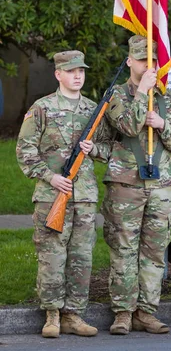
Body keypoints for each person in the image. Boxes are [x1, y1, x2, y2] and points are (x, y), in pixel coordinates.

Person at [16, 50, 111, 338]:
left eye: (81, 71)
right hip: (51, 196)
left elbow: (108, 150)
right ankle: (52, 315)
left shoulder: (94, 110)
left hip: (83, 197)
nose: (78, 75)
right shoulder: (42, 108)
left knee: (81, 258)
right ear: (58, 74)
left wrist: (92, 149)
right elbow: (25, 152)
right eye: (71, 71)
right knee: (52, 257)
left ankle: (74, 315)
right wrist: (51, 177)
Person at [102, 34, 171, 336]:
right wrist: (142, 94)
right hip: (126, 183)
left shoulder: (168, 99)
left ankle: (146, 311)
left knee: (154, 250)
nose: (148, 65)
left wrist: (163, 125)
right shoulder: (117, 95)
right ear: (130, 61)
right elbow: (127, 125)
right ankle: (123, 312)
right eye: (141, 60)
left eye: (153, 60)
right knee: (124, 248)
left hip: (161, 184)